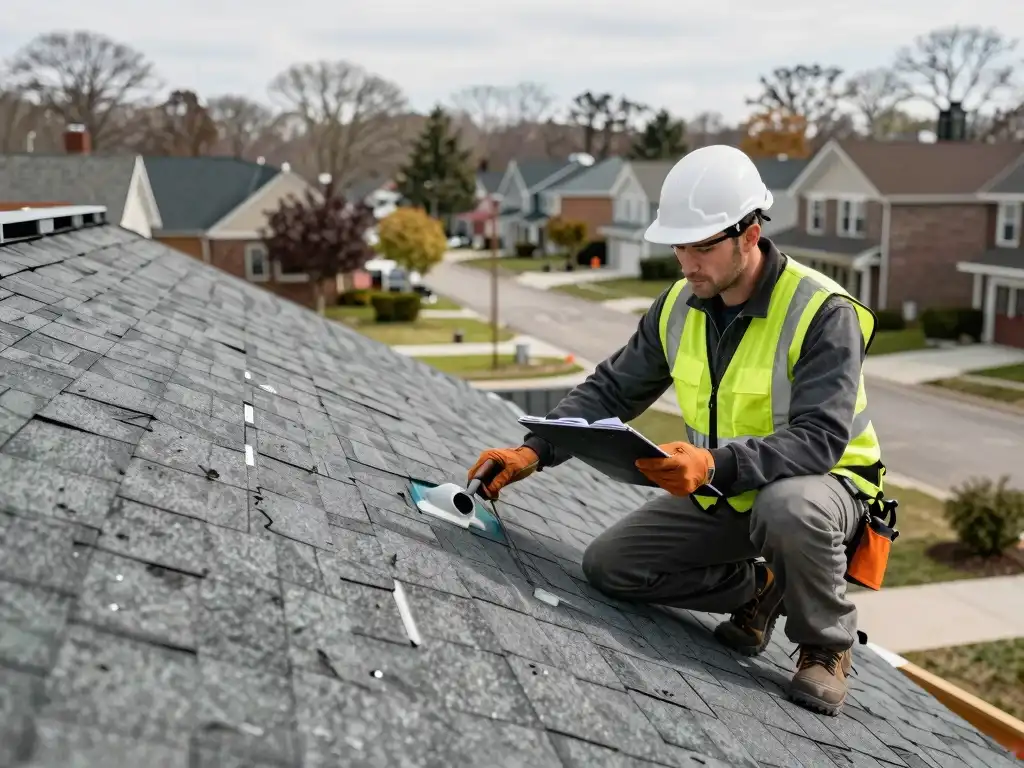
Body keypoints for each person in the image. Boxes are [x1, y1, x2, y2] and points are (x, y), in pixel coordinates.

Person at [466, 144, 888, 717]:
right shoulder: (679, 306)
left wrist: (714, 464)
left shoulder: (821, 312)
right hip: (730, 490)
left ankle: (825, 647)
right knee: (610, 567)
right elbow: (612, 389)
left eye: (702, 245)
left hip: (824, 489)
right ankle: (759, 587)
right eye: (679, 245)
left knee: (789, 508)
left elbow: (819, 439)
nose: (687, 263)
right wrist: (533, 451)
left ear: (749, 233)